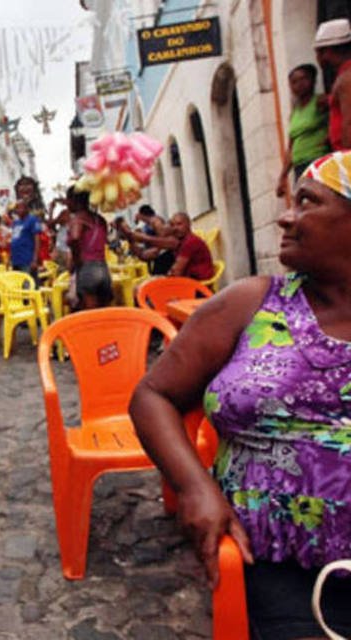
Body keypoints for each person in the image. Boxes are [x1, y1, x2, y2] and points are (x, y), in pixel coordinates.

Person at [129, 151, 351, 639]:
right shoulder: (251, 302)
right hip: (280, 564)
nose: (286, 216)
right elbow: (152, 395)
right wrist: (195, 486)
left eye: (308, 203)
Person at [276, 64, 330, 198]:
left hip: (318, 161)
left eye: (303, 79)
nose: (299, 84)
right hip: (300, 166)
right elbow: (291, 147)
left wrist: (328, 137)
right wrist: (282, 177)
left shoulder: (321, 102)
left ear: (313, 80)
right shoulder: (295, 112)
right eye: (294, 82)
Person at [67, 187, 112, 309]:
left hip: (87, 269)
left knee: (91, 315)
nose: (67, 204)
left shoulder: (77, 219)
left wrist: (77, 259)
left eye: (68, 200)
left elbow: (75, 237)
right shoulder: (100, 219)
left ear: (74, 201)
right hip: (103, 267)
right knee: (104, 312)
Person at [315, 18, 351, 152]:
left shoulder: (347, 78)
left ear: (328, 51)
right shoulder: (343, 76)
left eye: (318, 51)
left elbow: (349, 123)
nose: (317, 57)